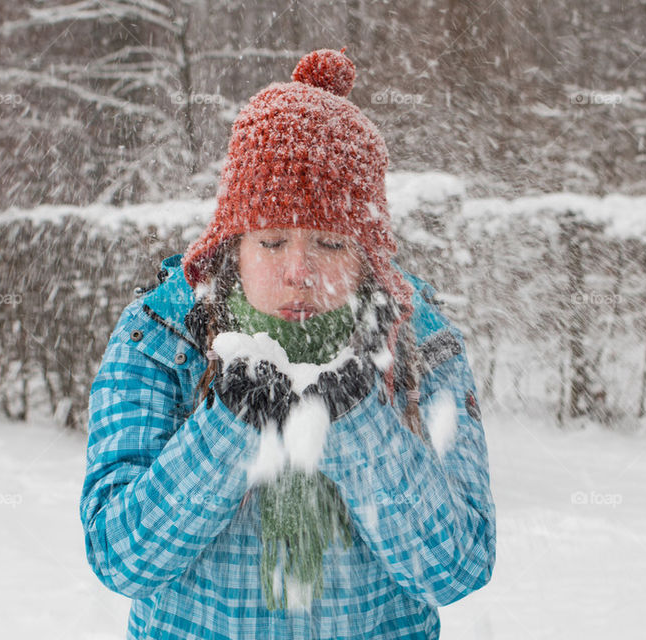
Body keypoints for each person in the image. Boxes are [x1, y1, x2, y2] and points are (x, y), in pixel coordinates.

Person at [80, 48, 496, 640]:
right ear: (233, 244)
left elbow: (457, 569)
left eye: (329, 243)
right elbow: (122, 559)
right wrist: (230, 423)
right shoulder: (161, 338)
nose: (300, 270)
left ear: (367, 256)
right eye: (272, 241)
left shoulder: (421, 347)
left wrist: (355, 422)